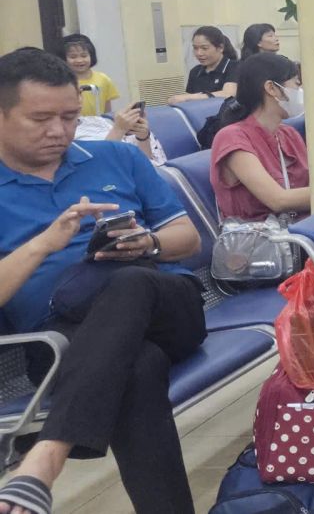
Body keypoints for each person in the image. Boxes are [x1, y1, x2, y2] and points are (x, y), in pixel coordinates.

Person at [0, 49, 205, 514]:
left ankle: (45, 458)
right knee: (139, 367)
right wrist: (43, 245)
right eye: (41, 119)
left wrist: (148, 243)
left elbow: (188, 239)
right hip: (59, 340)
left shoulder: (117, 156)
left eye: (70, 116)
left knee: (130, 282)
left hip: (167, 307)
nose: (60, 131)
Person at [207, 54, 310, 223]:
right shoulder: (231, 138)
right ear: (271, 88)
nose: (300, 92)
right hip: (263, 236)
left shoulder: (289, 134)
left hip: (303, 227)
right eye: (296, 84)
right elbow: (278, 200)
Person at [76, 104, 165, 165]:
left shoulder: (97, 120)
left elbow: (145, 161)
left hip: (143, 169)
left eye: (80, 93)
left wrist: (142, 137)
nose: (79, 99)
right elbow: (101, 166)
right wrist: (118, 129)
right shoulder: (71, 135)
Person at [169, 26, 239, 103]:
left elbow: (228, 94)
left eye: (204, 48)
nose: (199, 53)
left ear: (220, 48)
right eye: (195, 48)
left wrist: (192, 97)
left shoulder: (235, 66)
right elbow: (189, 102)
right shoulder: (195, 71)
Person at [56, 34, 119, 116]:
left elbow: (107, 110)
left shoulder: (103, 79)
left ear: (91, 56)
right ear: (63, 59)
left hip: (98, 123)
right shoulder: (62, 82)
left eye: (84, 56)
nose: (79, 60)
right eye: (73, 57)